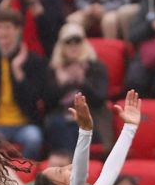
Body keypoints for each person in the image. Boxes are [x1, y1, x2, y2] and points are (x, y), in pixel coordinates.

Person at [0, 8, 48, 160]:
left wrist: (17, 71)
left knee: (34, 139)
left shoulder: (33, 61)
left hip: (25, 123)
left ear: (18, 30)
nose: (2, 32)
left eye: (7, 27)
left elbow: (34, 98)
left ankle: (23, 175)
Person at [44, 22, 109, 152]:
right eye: (68, 42)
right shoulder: (54, 69)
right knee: (59, 125)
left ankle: (68, 166)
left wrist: (82, 82)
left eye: (77, 41)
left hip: (91, 118)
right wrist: (62, 85)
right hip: (61, 118)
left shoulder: (96, 67)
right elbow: (46, 103)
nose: (73, 46)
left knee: (73, 128)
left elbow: (100, 99)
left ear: (84, 44)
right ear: (61, 46)